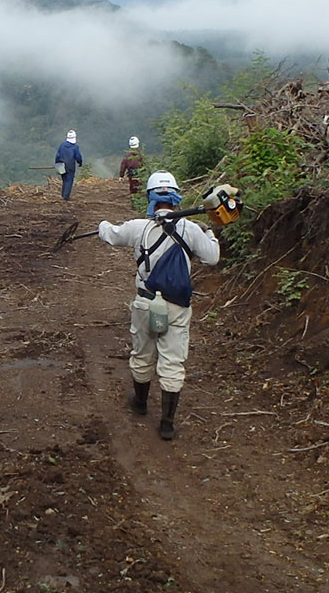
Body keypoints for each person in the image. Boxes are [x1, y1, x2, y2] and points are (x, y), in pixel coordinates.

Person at [96, 171, 222, 440]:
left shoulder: (138, 227)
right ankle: (167, 422)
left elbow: (111, 235)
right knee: (173, 360)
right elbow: (212, 258)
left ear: (150, 198)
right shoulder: (191, 229)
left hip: (145, 302)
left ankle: (140, 403)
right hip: (177, 305)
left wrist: (102, 225)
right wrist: (210, 231)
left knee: (142, 355)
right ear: (176, 198)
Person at [54, 129, 83, 200]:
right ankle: (65, 197)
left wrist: (57, 164)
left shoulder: (62, 145)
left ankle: (63, 195)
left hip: (61, 165)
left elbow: (57, 155)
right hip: (70, 166)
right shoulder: (75, 147)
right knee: (69, 180)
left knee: (64, 180)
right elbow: (78, 157)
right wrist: (80, 162)